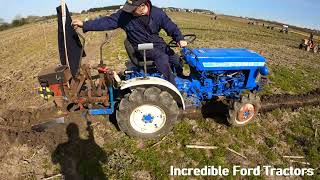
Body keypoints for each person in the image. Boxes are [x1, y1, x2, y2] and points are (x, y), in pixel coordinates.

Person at [72, 0, 188, 86]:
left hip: (158, 44)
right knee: (161, 57)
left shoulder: (157, 13)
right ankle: (173, 87)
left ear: (142, 6)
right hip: (142, 47)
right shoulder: (124, 16)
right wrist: (85, 24)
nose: (130, 11)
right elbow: (106, 22)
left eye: (133, 9)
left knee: (175, 59)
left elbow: (170, 26)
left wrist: (179, 38)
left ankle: (181, 78)